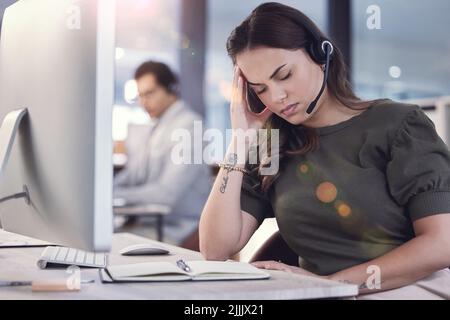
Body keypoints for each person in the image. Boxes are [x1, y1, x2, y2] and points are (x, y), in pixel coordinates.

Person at [199, 2, 450, 299]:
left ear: (320, 55)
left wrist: (334, 283)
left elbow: (442, 242)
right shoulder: (273, 146)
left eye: (284, 75)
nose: (277, 97)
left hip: (406, 288)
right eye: (260, 88)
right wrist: (239, 139)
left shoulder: (399, 126)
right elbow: (215, 250)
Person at [114, 61, 211, 246]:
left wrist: (114, 196)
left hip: (180, 228)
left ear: (171, 88)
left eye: (149, 94)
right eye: (140, 96)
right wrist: (104, 192)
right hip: (149, 222)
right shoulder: (157, 127)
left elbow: (166, 194)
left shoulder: (190, 127)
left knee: (109, 245)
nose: (143, 103)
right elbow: (134, 175)